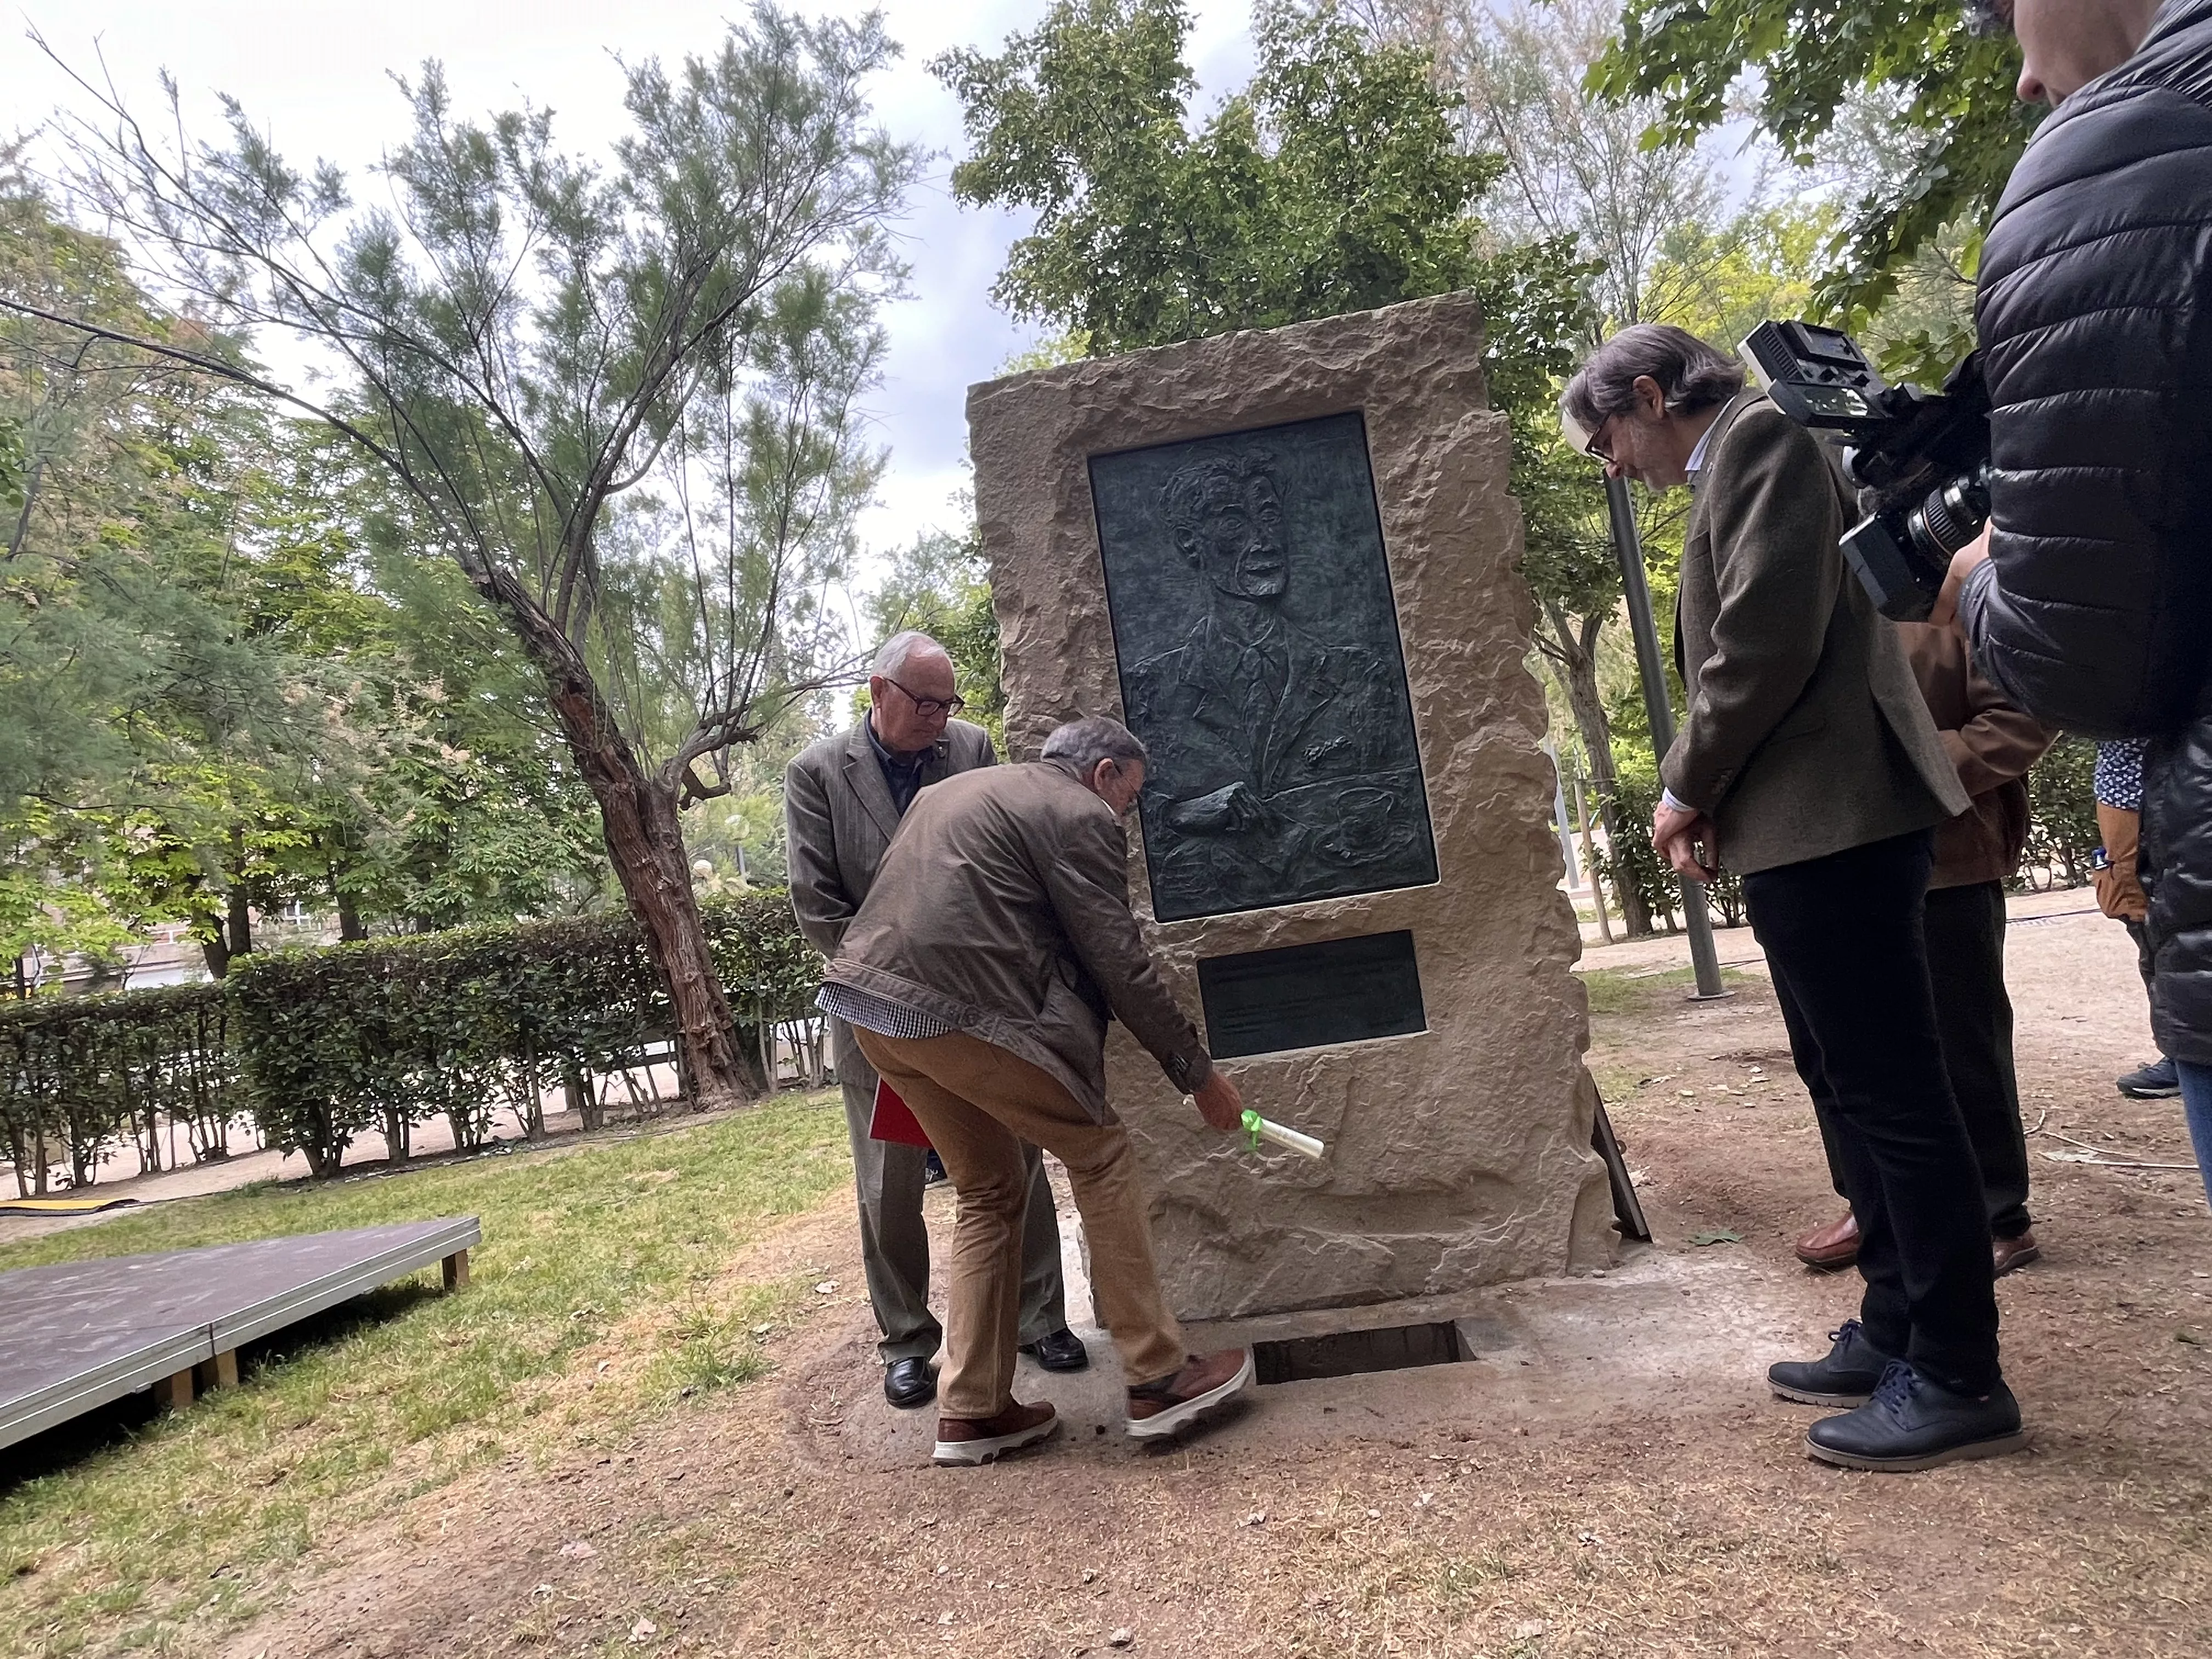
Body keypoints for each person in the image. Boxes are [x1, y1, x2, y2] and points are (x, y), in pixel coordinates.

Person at [1564, 324, 2025, 1471]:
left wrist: (1683, 786)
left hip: (1839, 825)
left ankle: (1959, 1371)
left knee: (1898, 1098)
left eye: (1606, 438)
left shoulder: (1762, 440)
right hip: (1806, 827)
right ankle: (1893, 1326)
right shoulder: (1741, 459)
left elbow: (1757, 649)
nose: (1612, 465)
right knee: (1852, 1089)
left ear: (1653, 394)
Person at [1940, 0, 2212, 1209]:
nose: (2018, 73)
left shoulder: (2117, 160)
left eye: (2005, 14)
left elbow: (2090, 663)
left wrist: (1976, 575)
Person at [819, 716, 1255, 1466]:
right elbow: (1119, 959)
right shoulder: (1079, 813)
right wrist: (1198, 1076)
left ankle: (973, 1409)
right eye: (1133, 795)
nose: (1128, 813)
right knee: (1101, 1153)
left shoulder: (960, 791)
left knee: (989, 1189)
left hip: (870, 1012)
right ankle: (1157, 1376)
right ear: (1104, 774)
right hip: (960, 1014)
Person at [784, 631, 1086, 1410]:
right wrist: (905, 979)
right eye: (925, 703)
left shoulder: (971, 748)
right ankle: (908, 1341)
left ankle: (1038, 1316)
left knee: (1015, 1165)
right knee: (888, 1189)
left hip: (981, 1011)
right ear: (878, 690)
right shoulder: (817, 774)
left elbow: (1007, 867)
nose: (940, 718)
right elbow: (819, 909)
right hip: (876, 1018)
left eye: (949, 704)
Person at [1793, 623, 2056, 1278]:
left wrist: (1908, 762)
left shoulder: (1956, 588)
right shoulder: (1811, 587)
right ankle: (1874, 1204)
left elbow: (2023, 718)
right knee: (1838, 1048)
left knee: (1961, 1041)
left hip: (1948, 857)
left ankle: (1999, 1215)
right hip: (1828, 851)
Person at [2093, 741, 2180, 1099]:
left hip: (2151, 799)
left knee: (2165, 934)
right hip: (2126, 801)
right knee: (2143, 925)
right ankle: (2179, 1054)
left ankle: (2183, 1057)